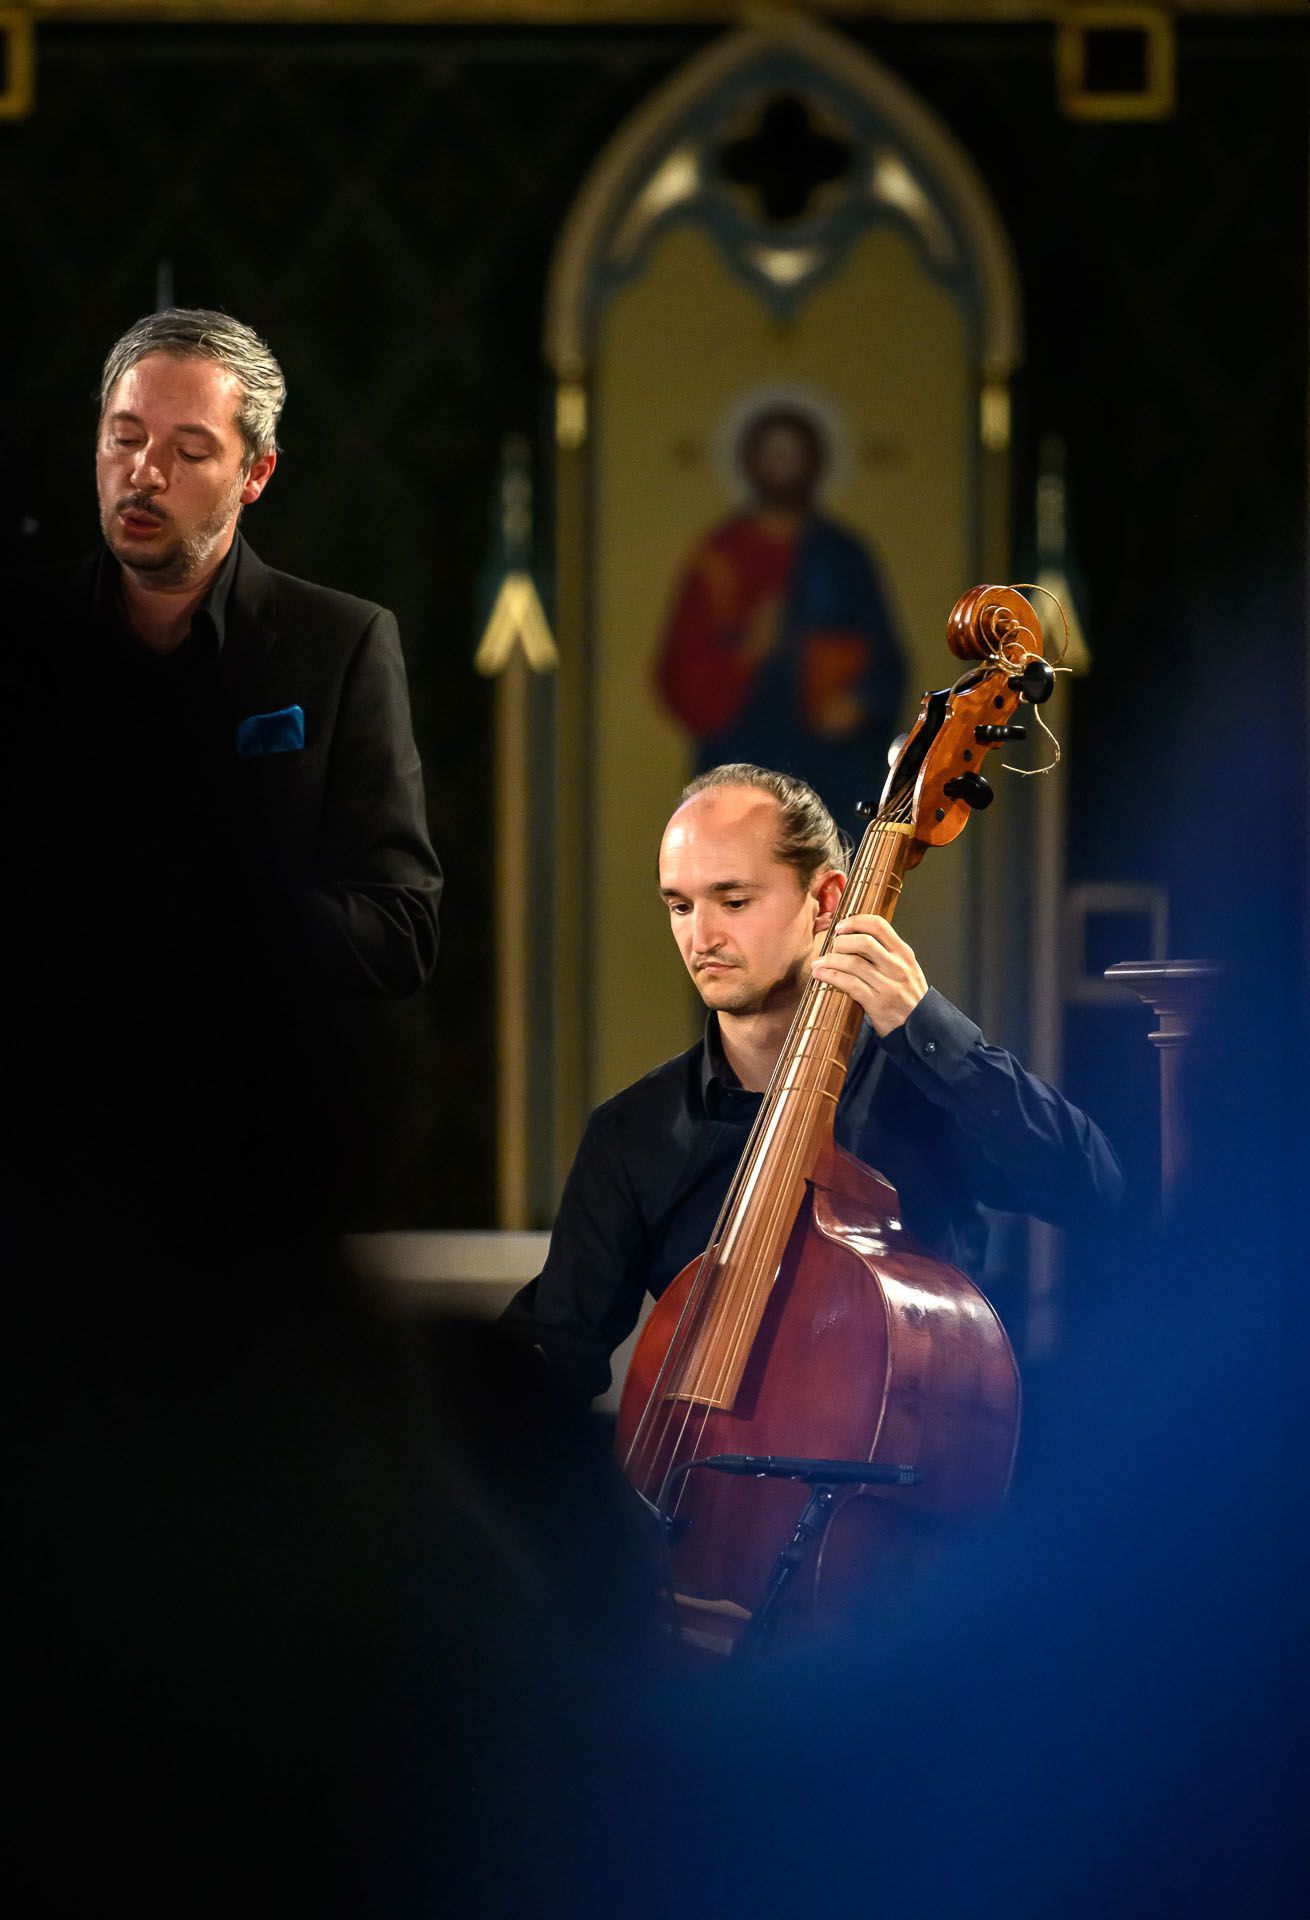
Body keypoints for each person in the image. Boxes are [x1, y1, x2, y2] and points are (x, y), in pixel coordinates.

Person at [2, 306, 441, 1239]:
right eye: (124, 438)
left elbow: (401, 928)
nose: (145, 473)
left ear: (256, 473)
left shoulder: (341, 644)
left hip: (249, 1177)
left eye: (189, 450)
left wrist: (209, 909)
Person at [503, 763, 1122, 1402]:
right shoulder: (633, 1132)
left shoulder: (930, 1086)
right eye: (680, 906)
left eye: (733, 901)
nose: (700, 938)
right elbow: (555, 1350)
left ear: (826, 899)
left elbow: (1095, 1190)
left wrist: (929, 1027)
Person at [656, 405, 905, 834]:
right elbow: (683, 667)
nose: (782, 467)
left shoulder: (843, 555)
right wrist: (745, 652)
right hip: (743, 750)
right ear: (750, 464)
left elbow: (885, 659)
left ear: (814, 463)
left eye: (792, 455)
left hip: (831, 761)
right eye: (772, 455)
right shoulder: (723, 557)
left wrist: (860, 702)